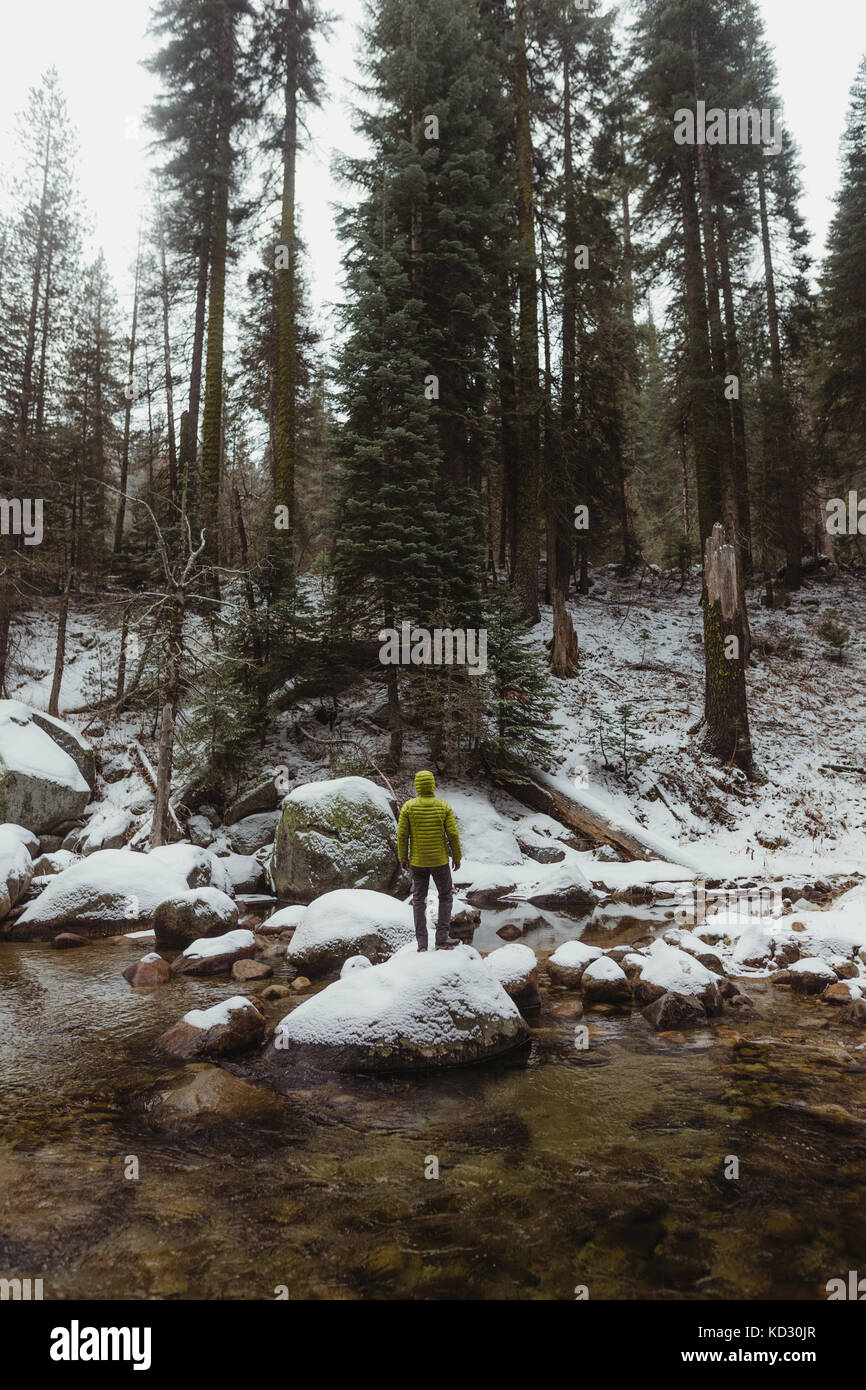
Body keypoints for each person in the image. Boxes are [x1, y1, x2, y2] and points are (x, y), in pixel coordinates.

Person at [397, 770, 462, 951]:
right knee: (445, 896)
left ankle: (422, 944)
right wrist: (456, 856)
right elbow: (453, 834)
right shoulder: (443, 806)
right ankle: (442, 939)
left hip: (418, 862)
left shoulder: (408, 807)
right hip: (440, 861)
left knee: (419, 900)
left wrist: (403, 857)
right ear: (432, 784)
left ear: (417, 786)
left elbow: (402, 834)